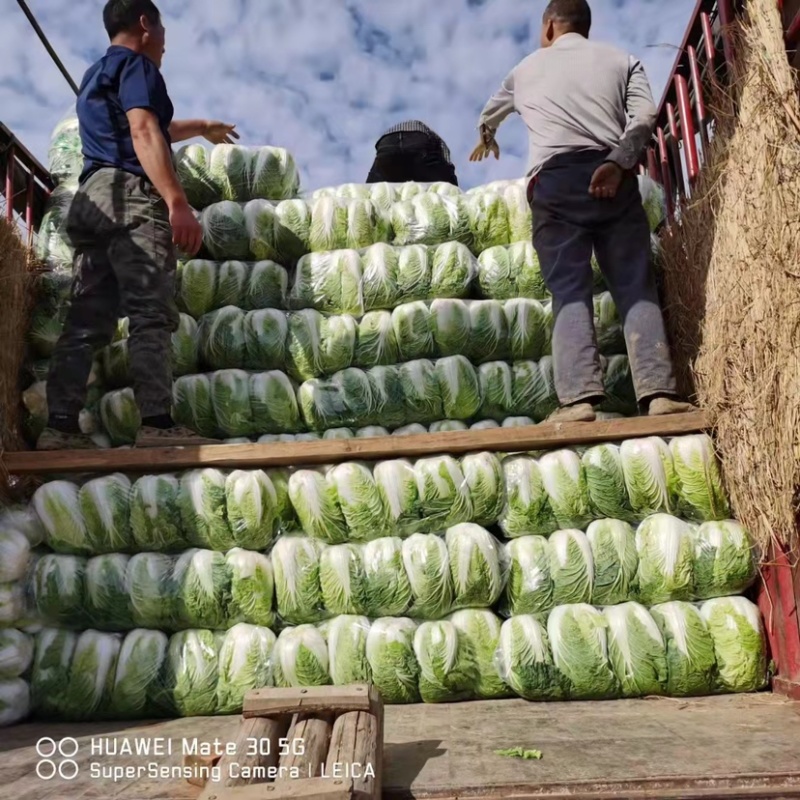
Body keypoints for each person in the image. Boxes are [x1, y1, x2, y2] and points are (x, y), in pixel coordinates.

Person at [470, 0, 695, 422]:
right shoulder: (622, 61)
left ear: (550, 26)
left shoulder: (525, 69)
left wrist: (488, 136)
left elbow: (489, 114)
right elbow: (645, 116)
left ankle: (577, 401)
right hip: (615, 178)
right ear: (584, 27)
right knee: (634, 286)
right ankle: (659, 394)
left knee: (570, 290)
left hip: (555, 185)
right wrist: (619, 161)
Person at [38, 0, 238, 451]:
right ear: (146, 24)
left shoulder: (97, 75)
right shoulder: (140, 66)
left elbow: (147, 125)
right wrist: (177, 202)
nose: (165, 44)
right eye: (163, 29)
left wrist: (202, 125)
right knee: (151, 312)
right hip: (130, 198)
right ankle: (158, 424)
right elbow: (145, 132)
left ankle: (60, 427)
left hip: (92, 201)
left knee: (86, 320)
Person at [366, 121, 459, 185]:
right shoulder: (438, 144)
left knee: (374, 187)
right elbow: (448, 169)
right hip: (418, 140)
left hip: (385, 143)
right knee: (445, 186)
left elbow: (374, 173)